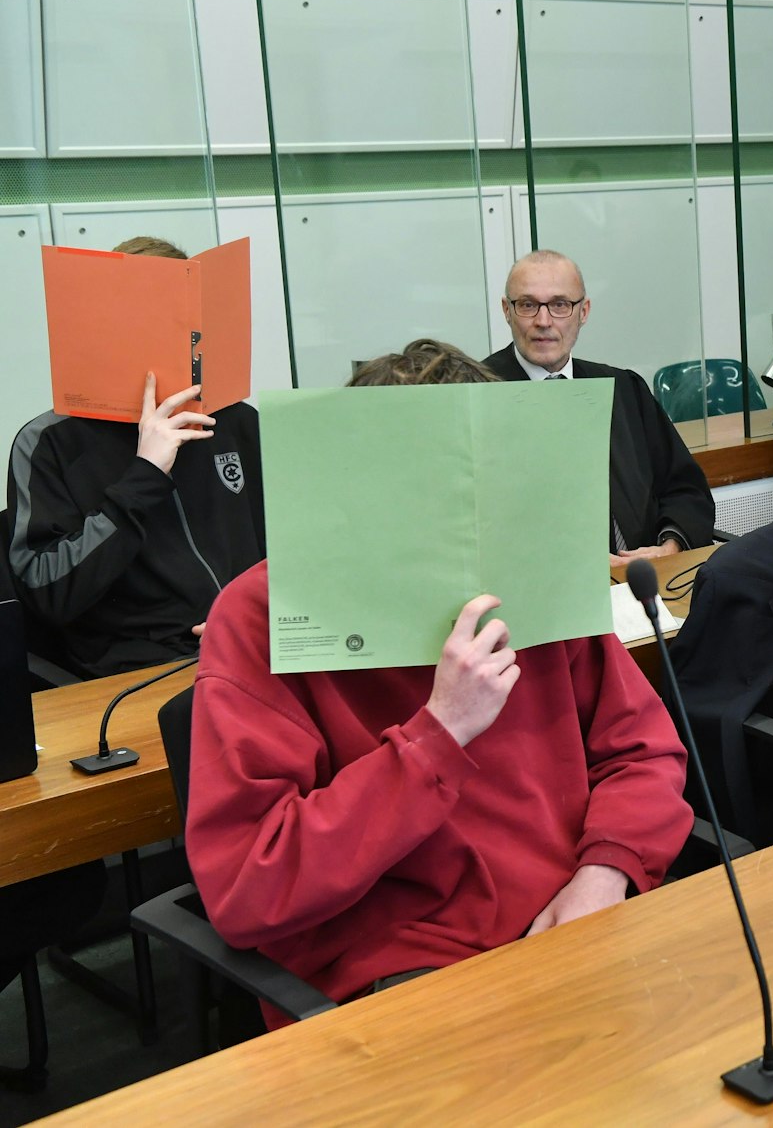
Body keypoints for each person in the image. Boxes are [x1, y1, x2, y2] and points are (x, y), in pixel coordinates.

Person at [187, 338, 692, 1022]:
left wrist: (605, 872)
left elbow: (643, 751)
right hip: (402, 970)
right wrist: (440, 730)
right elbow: (249, 884)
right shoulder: (259, 617)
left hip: (571, 919)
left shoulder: (530, 572)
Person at [4, 236, 265, 679]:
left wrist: (255, 615)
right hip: (138, 673)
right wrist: (144, 474)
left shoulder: (235, 421)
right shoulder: (50, 441)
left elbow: (292, 549)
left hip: (248, 646)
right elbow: (47, 589)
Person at [482, 250, 714, 565]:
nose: (543, 321)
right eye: (527, 305)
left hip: (644, 581)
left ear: (584, 311)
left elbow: (685, 490)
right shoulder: (479, 394)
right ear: (506, 311)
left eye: (560, 304)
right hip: (538, 591)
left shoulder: (623, 389)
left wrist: (668, 547)